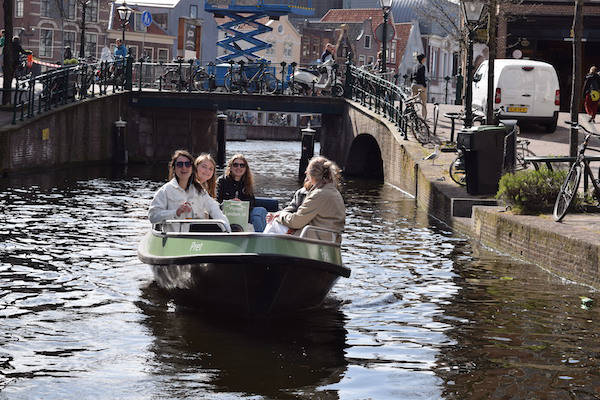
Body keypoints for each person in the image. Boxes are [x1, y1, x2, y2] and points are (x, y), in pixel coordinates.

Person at [148, 149, 230, 232]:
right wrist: (175, 212)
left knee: (231, 228)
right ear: (174, 168)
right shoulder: (165, 191)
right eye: (180, 164)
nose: (184, 167)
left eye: (187, 164)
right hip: (174, 237)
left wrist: (227, 230)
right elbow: (153, 216)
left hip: (196, 237)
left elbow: (214, 209)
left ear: (192, 168)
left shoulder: (199, 190)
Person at [272, 156, 345, 243]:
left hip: (316, 240)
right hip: (331, 239)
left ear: (310, 174)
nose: (305, 172)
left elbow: (297, 221)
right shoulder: (334, 192)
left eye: (307, 170)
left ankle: (262, 252)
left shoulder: (318, 194)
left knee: (274, 223)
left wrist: (280, 215)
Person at [216, 154, 267, 232]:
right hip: (226, 213)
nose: (238, 167)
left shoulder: (247, 183)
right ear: (230, 167)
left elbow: (252, 202)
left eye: (242, 165)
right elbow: (216, 201)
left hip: (243, 213)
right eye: (235, 165)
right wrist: (229, 203)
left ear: (246, 168)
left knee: (260, 211)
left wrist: (241, 205)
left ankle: (261, 238)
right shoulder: (221, 181)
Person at [411, 53, 428, 120]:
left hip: (413, 85)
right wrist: (425, 86)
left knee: (412, 101)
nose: (425, 59)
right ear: (423, 59)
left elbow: (411, 76)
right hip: (420, 85)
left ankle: (412, 115)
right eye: (424, 58)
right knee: (424, 102)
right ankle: (424, 118)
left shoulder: (414, 66)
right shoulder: (422, 66)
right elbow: (422, 77)